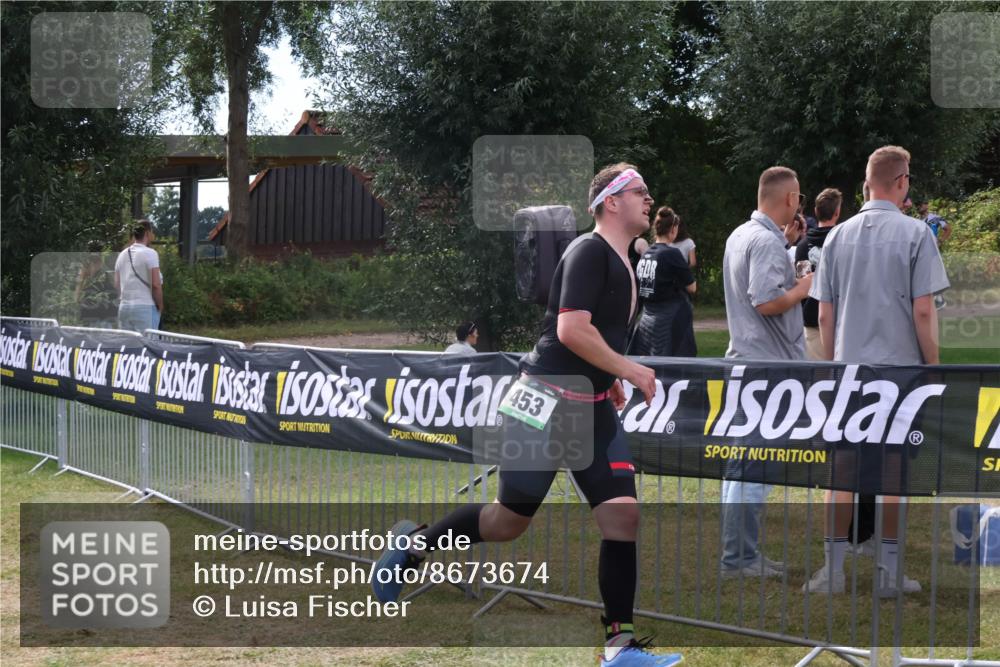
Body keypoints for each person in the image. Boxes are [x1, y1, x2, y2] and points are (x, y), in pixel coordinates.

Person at [371, 163, 683, 667]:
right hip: (539, 403)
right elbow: (570, 330)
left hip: (593, 406)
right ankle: (413, 545)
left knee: (622, 515)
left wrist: (609, 378)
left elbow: (594, 336)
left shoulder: (625, 258)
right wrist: (632, 370)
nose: (650, 199)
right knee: (506, 522)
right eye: (640, 191)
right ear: (611, 201)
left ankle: (619, 649)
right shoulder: (588, 251)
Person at [805, 145, 949, 596]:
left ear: (868, 182)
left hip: (849, 371)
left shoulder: (836, 236)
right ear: (902, 181)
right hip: (901, 377)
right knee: (892, 476)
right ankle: (888, 573)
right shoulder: (915, 234)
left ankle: (833, 570)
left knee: (841, 473)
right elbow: (923, 311)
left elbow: (824, 315)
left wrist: (834, 365)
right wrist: (934, 366)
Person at [719, 166, 812, 579]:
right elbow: (766, 300)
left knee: (742, 464)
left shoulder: (742, 234)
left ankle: (742, 553)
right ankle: (740, 559)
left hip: (748, 362)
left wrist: (787, 249)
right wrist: (804, 287)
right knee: (753, 465)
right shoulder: (764, 242)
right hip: (767, 369)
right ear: (790, 199)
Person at [630, 207, 697, 357]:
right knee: (675, 369)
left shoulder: (647, 253)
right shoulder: (671, 253)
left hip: (647, 319)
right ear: (673, 229)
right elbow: (692, 287)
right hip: (670, 319)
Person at [795, 188, 842, 360]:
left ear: (815, 211)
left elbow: (802, 286)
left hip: (812, 320)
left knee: (819, 382)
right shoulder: (844, 243)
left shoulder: (802, 246)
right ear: (837, 212)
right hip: (840, 322)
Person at [114, 219, 163, 333]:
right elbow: (156, 284)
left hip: (124, 308)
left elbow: (117, 284)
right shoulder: (150, 253)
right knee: (148, 346)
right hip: (145, 307)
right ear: (147, 233)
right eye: (152, 232)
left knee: (127, 348)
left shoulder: (122, 255)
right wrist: (160, 305)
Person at [75, 241, 117, 328]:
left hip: (90, 306)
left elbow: (80, 282)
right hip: (103, 308)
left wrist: (77, 298)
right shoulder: (102, 262)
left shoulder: (85, 265)